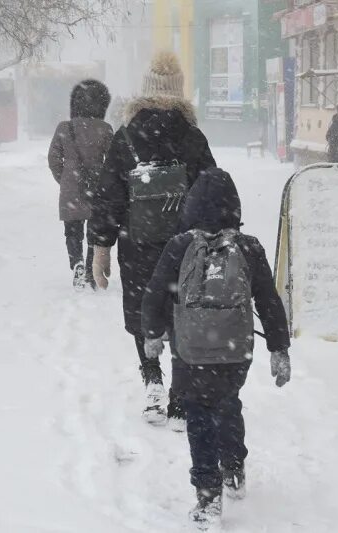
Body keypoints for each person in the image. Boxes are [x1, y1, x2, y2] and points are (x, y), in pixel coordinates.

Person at [141, 167, 291, 528]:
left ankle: (207, 497)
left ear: (190, 208)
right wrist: (278, 348)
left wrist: (152, 334)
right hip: (234, 349)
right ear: (234, 208)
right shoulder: (249, 247)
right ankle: (234, 466)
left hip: (191, 350)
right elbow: (269, 300)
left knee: (198, 416)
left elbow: (155, 292)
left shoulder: (180, 245)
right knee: (227, 404)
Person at [89, 51, 216, 427]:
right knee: (181, 312)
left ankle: (152, 380)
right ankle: (179, 395)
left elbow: (108, 195)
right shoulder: (193, 138)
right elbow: (212, 191)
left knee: (144, 310)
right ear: (179, 93)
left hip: (137, 245)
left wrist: (101, 248)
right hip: (185, 247)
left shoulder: (126, 137)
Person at [48, 79, 113, 290]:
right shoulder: (105, 129)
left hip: (71, 187)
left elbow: (53, 158)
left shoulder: (64, 128)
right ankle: (90, 269)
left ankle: (75, 263)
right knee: (94, 232)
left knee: (72, 231)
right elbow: (113, 161)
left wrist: (64, 178)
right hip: (97, 188)